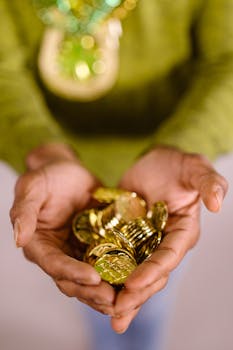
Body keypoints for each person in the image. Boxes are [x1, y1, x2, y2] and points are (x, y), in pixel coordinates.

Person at [1, 0, 232, 349]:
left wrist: (188, 142)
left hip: (168, 170)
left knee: (147, 292)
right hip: (57, 150)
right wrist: (40, 147)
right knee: (98, 291)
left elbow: (227, 60)